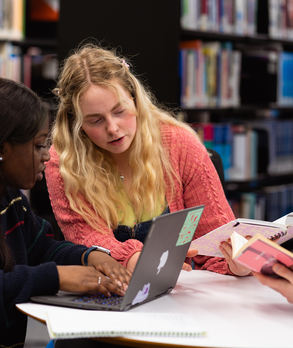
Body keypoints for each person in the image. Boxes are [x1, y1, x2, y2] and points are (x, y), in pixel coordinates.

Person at [0, 77, 131, 347]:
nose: (47, 156)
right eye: (38, 145)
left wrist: (91, 257)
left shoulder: (7, 193)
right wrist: (57, 277)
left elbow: (41, 249)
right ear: (1, 149)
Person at [45, 43, 250, 276]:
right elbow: (92, 243)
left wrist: (237, 265)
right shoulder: (64, 162)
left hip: (179, 295)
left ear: (134, 100)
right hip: (111, 294)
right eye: (95, 120)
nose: (113, 128)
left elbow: (217, 242)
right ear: (77, 124)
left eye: (119, 111)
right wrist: (134, 261)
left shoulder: (180, 145)